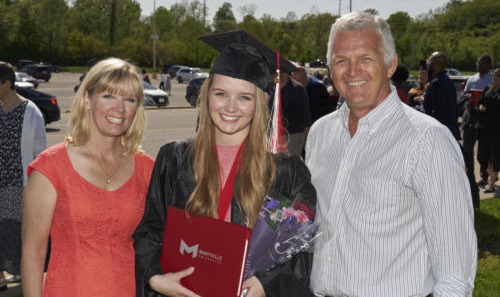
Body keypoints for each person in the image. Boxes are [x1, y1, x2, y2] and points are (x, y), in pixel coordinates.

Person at [133, 31, 317, 297]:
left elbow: (300, 253)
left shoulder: (286, 172)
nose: (231, 107)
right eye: (221, 94)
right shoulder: (173, 159)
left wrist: (267, 284)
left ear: (262, 101)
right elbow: (150, 230)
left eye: (244, 97)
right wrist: (155, 278)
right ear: (207, 95)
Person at [306, 12, 476, 296]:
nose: (352, 71)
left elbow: (455, 275)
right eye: (341, 60)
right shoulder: (320, 134)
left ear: (390, 64)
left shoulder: (427, 141)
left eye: (365, 58)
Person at [22, 58, 155, 297]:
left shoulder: (147, 169)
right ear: (87, 100)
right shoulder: (51, 167)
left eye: (130, 99)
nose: (120, 108)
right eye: (108, 96)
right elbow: (34, 253)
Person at [0, 61, 46, 290]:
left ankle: (18, 274)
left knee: (14, 231)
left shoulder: (31, 113)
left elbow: (40, 155)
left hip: (18, 185)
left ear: (6, 83)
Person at [462, 55, 493, 188]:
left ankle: (485, 176)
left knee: (484, 151)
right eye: (479, 62)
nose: (480, 65)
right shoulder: (472, 78)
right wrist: (468, 96)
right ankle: (469, 176)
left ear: (489, 65)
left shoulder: (492, 79)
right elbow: (464, 94)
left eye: (484, 63)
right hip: (471, 116)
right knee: (468, 148)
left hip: (486, 118)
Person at [270, 71, 311, 157]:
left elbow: (306, 119)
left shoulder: (298, 89)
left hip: (292, 136)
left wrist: (307, 144)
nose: (272, 75)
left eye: (274, 72)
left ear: (284, 72)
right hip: (273, 135)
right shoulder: (272, 87)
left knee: (288, 167)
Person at [423, 51, 461, 140]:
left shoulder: (436, 83)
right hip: (450, 128)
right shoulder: (448, 81)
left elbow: (435, 110)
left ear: (436, 65)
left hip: (440, 131)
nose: (427, 63)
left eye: (430, 60)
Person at [477, 68, 500, 193]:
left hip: (497, 129)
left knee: (495, 156)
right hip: (485, 128)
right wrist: (480, 106)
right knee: (481, 156)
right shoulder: (488, 89)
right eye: (494, 78)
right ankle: (492, 175)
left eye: (497, 79)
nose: (494, 81)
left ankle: (491, 183)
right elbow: (480, 102)